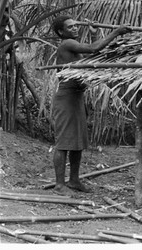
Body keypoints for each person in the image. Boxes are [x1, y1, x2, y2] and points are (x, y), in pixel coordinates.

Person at [51, 15, 131, 195]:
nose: (74, 28)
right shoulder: (67, 44)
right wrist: (116, 32)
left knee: (77, 142)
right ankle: (59, 185)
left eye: (75, 25)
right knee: (63, 143)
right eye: (70, 27)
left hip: (77, 97)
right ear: (61, 32)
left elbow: (95, 53)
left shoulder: (74, 49)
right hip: (66, 99)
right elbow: (93, 48)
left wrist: (95, 34)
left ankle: (73, 180)